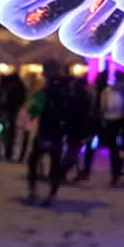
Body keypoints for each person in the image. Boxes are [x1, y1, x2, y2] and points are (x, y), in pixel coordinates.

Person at [25, 60, 75, 206]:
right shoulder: (68, 87)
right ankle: (51, 194)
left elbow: (33, 110)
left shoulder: (46, 90)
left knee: (34, 161)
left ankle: (34, 191)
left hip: (46, 130)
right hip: (59, 131)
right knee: (54, 163)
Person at [99, 71, 124, 187]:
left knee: (114, 149)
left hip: (112, 121)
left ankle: (116, 173)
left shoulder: (108, 91)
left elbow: (103, 107)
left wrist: (104, 118)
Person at [0, 69, 27, 163]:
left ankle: (7, 150)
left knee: (6, 131)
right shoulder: (19, 86)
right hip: (13, 111)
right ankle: (8, 151)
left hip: (7, 110)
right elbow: (22, 98)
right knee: (11, 132)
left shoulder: (7, 86)